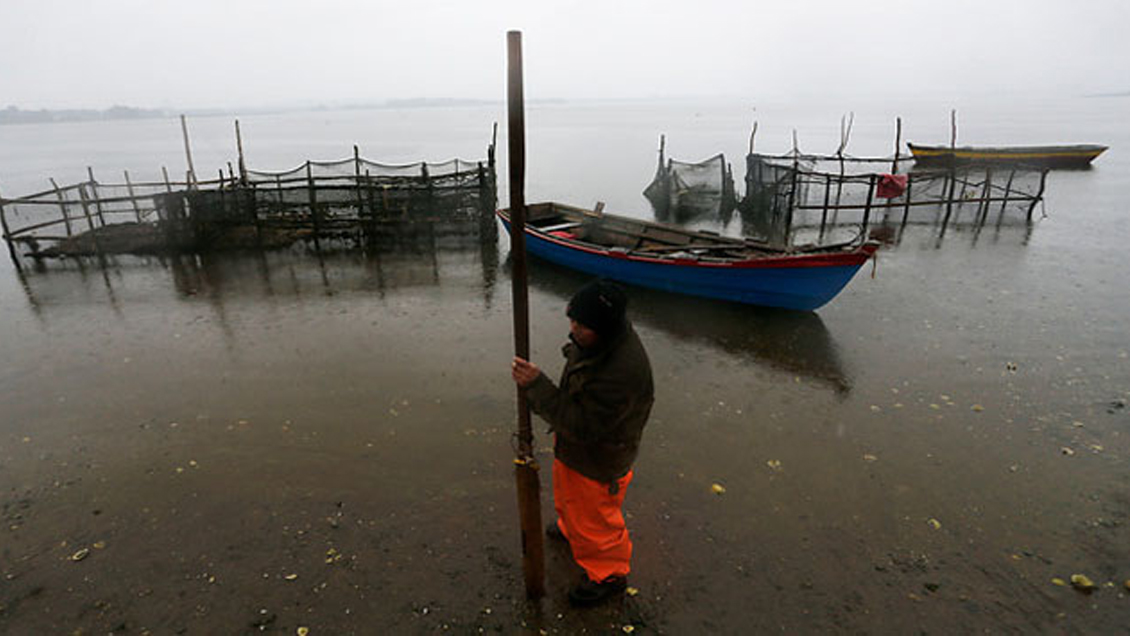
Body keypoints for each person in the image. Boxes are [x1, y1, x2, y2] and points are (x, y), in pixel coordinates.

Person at [511, 279, 654, 606]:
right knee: (569, 496)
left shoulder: (623, 372)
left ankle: (609, 575)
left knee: (597, 521)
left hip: (598, 458)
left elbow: (583, 426)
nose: (572, 330)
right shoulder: (599, 340)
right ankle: (571, 525)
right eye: (571, 320)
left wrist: (537, 386)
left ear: (602, 329)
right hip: (576, 452)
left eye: (580, 325)